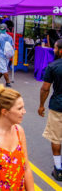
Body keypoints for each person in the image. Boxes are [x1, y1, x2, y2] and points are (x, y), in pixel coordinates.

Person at [38, 38, 62, 181]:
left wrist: (41, 105)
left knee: (56, 137)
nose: (53, 50)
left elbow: (45, 88)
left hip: (58, 106)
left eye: (55, 48)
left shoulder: (53, 66)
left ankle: (58, 169)